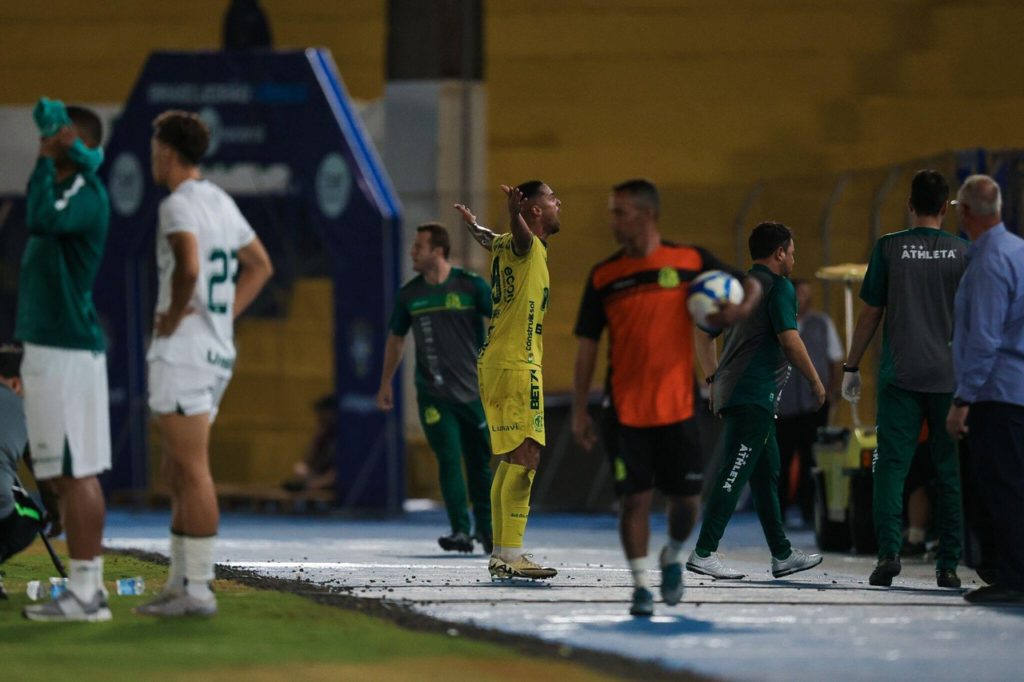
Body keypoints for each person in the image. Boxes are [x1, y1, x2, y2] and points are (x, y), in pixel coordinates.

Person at [570, 179, 761, 616]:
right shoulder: (603, 276)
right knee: (633, 500)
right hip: (623, 410)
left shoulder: (690, 261)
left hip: (676, 407)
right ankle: (640, 586)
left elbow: (749, 284)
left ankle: (673, 555)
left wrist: (742, 309)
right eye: (612, 211)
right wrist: (580, 409)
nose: (613, 221)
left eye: (620, 212)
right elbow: (586, 346)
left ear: (647, 215)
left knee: (686, 502)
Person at [135, 110, 274, 617]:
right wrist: (225, 316)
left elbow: (189, 266)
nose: (153, 158)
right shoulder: (220, 200)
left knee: (191, 470)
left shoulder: (178, 205)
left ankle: (198, 590)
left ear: (168, 152)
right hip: (213, 354)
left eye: (155, 149)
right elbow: (260, 266)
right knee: (178, 468)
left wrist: (174, 315)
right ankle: (180, 582)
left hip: (185, 354)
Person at [843, 169, 966, 589]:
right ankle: (948, 565)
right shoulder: (964, 252)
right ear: (946, 208)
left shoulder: (889, 248)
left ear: (910, 205)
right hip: (950, 378)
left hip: (901, 376)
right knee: (949, 472)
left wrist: (851, 365)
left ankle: (888, 555)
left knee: (891, 469)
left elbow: (871, 312)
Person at [688, 222, 825, 581]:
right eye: (792, 251)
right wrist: (815, 380)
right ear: (779, 252)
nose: (794, 258)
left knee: (766, 475)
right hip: (753, 395)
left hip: (738, 392)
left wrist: (713, 377)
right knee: (734, 470)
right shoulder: (779, 287)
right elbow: (790, 340)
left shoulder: (738, 287)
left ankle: (781, 554)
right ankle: (704, 551)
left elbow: (703, 333)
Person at [18, 103, 113, 622]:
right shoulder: (70, 188)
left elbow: (39, 218)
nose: (41, 141)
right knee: (61, 476)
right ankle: (86, 589)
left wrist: (47, 157)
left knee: (75, 475)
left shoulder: (84, 191)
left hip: (65, 351)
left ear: (69, 137)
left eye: (50, 134)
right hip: (51, 349)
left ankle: (85, 593)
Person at [453, 181, 561, 580]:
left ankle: (501, 553)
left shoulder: (502, 245)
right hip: (517, 363)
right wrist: (512, 213)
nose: (558, 203)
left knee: (512, 457)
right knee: (527, 455)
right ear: (534, 211)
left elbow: (489, 239)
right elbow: (516, 236)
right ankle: (511, 555)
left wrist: (472, 225)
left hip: (495, 360)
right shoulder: (525, 243)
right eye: (551, 199)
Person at [377, 223, 493, 553]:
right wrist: (386, 381)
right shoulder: (410, 294)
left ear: (438, 251)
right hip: (434, 394)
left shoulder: (471, 287)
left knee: (479, 462)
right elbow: (396, 339)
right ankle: (460, 530)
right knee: (448, 458)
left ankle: (487, 530)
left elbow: (502, 318)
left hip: (474, 393)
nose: (413, 252)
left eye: (419, 247)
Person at [945, 174, 1024, 604]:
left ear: (965, 212)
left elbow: (984, 339)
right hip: (1017, 388)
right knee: (1012, 484)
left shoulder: (990, 261)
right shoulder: (1018, 251)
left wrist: (963, 399)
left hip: (995, 392)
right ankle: (1007, 569)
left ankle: (1014, 576)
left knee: (1001, 487)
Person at [775, 279, 843, 527]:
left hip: (815, 405)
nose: (804, 298)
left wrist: (834, 390)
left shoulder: (822, 323)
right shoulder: (777, 323)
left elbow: (835, 358)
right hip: (783, 406)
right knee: (780, 460)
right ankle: (778, 511)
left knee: (811, 459)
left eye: (806, 294)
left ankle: (808, 511)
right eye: (798, 294)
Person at [282, 394, 338, 493]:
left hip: (334, 478)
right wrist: (317, 439)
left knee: (334, 475)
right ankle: (308, 486)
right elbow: (307, 461)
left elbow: (337, 471)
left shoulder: (344, 437)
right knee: (300, 469)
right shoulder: (323, 435)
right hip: (319, 477)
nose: (319, 416)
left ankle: (307, 486)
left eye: (322, 412)